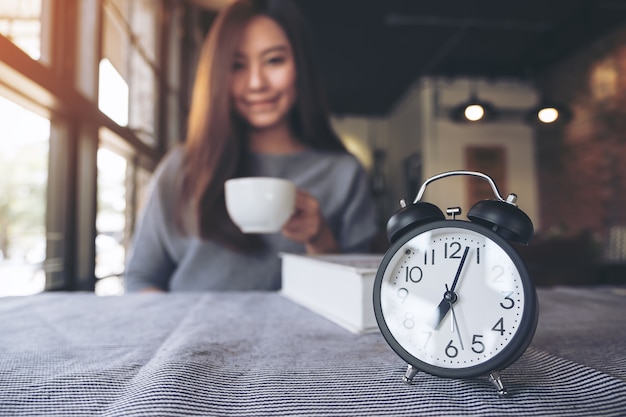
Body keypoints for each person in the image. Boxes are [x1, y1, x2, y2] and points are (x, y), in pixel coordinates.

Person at [124, 0, 378, 292]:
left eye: (274, 61)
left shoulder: (343, 175)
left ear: (301, 65)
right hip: (188, 334)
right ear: (218, 76)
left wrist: (320, 239)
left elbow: (358, 295)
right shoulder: (183, 166)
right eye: (237, 65)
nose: (256, 83)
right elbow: (141, 279)